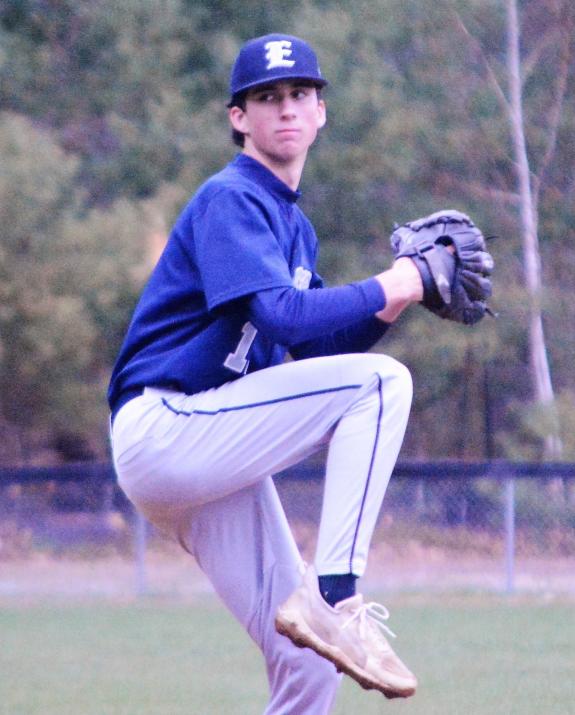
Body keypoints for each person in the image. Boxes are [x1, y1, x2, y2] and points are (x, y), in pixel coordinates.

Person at [108, 33, 423, 712]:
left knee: (308, 665)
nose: (286, 108)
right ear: (238, 117)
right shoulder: (232, 198)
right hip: (165, 425)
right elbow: (282, 315)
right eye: (267, 97)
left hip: (208, 454)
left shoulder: (294, 229)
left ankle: (322, 614)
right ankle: (335, 594)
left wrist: (397, 298)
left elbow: (316, 348)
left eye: (300, 94)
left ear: (320, 112)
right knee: (381, 383)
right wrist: (391, 279)